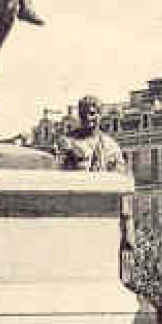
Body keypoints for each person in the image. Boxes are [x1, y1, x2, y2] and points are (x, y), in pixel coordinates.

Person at [56, 95, 132, 280]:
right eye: (84, 114)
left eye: (92, 114)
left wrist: (127, 224)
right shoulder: (67, 142)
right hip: (73, 211)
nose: (88, 118)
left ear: (100, 115)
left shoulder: (111, 147)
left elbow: (122, 183)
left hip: (102, 214)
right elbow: (57, 173)